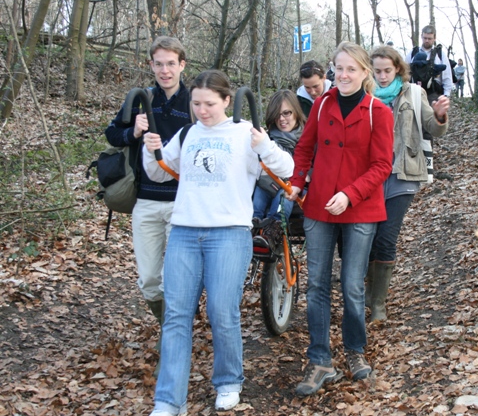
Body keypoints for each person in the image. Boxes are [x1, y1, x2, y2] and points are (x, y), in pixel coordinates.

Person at [142, 70, 294, 415]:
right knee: (177, 316)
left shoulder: (245, 133)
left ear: (227, 101)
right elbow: (157, 172)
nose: (202, 110)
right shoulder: (188, 132)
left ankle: (228, 381)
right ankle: (169, 401)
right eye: (196, 103)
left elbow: (287, 168)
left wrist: (264, 145)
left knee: (221, 312)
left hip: (228, 233)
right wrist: (150, 151)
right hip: (183, 231)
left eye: (209, 104)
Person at [286, 41, 394, 396]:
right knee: (317, 284)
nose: (344, 75)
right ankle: (320, 359)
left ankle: (355, 350)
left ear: (365, 73)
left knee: (350, 285)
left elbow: (382, 166)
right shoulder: (320, 106)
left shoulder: (379, 112)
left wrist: (350, 194)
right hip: (319, 207)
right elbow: (304, 149)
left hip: (359, 208)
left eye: (351, 69)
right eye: (339, 68)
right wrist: (298, 181)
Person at [103, 36, 191, 369]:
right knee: (150, 281)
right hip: (146, 201)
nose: (165, 70)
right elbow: (112, 134)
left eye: (171, 63)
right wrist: (133, 133)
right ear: (151, 65)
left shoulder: (194, 100)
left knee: (174, 278)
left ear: (182, 65)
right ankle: (167, 322)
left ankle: (174, 335)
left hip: (183, 203)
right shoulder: (141, 99)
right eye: (159, 64)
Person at [369, 45, 449, 321]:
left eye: (387, 71)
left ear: (398, 70)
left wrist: (439, 115)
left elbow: (433, 126)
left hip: (402, 174)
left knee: (387, 238)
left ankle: (378, 304)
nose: (381, 76)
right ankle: (366, 293)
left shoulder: (414, 93)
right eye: (377, 71)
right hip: (368, 177)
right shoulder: (363, 95)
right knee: (367, 237)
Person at [252, 89, 306, 250]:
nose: (281, 119)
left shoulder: (308, 136)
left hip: (295, 189)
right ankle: (253, 224)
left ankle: (272, 231)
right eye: (277, 115)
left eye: (287, 113)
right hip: (268, 183)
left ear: (296, 112)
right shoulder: (267, 138)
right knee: (262, 186)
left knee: (284, 192)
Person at [406, 25, 453, 103]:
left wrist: (446, 94)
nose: (427, 40)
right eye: (425, 38)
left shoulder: (440, 54)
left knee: (433, 115)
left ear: (434, 38)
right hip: (414, 93)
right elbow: (405, 71)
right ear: (421, 36)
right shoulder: (413, 53)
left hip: (433, 93)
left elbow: (447, 74)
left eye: (429, 38)